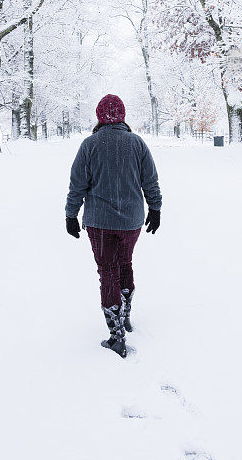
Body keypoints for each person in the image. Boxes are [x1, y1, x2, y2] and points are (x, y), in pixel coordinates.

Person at [65, 94, 162, 358]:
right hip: (131, 221)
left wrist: (70, 215)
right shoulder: (137, 143)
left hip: (100, 223)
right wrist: (155, 208)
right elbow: (150, 180)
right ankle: (125, 316)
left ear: (99, 116)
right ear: (122, 115)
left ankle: (116, 334)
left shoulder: (90, 145)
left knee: (108, 272)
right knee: (125, 264)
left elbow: (77, 185)